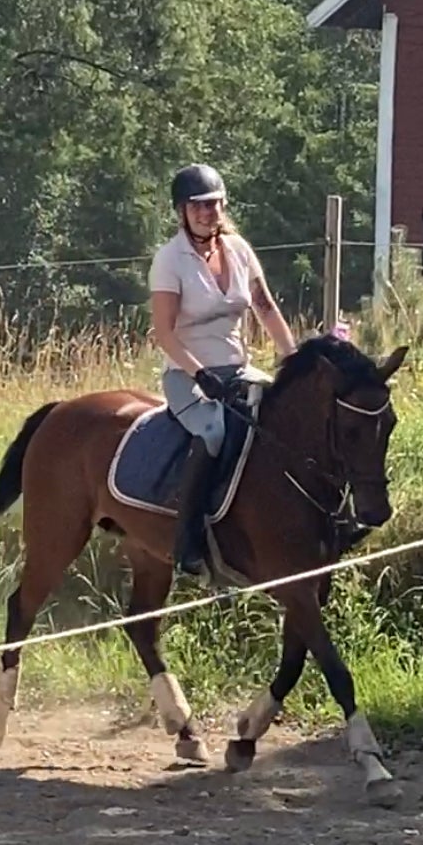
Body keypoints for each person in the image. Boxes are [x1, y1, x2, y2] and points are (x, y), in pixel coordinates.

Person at [149, 162, 297, 574]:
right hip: (187, 374)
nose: (206, 213)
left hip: (237, 369)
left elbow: (265, 308)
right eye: (197, 206)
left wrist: (293, 357)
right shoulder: (169, 260)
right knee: (213, 431)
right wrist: (199, 374)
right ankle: (188, 541)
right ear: (182, 211)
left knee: (283, 417)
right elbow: (164, 332)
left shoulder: (239, 250)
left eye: (213, 204)